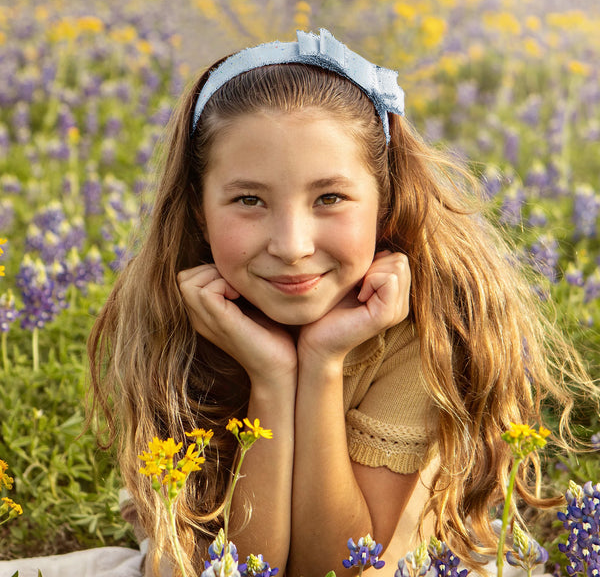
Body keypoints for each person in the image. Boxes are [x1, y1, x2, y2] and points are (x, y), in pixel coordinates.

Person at [88, 29, 594, 577]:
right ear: (198, 210)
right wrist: (273, 377)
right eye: (248, 199)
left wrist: (323, 364)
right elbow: (231, 568)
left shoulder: (424, 328)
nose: (292, 245)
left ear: (387, 199)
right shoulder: (177, 319)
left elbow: (340, 568)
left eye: (329, 198)